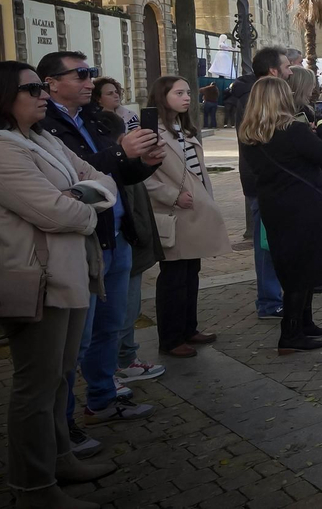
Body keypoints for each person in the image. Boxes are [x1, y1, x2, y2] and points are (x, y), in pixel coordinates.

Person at [0, 61, 121, 507]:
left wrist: (81, 199)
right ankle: (33, 487)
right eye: (32, 88)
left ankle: (60, 459)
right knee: (36, 387)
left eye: (42, 87)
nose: (43, 94)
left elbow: (102, 182)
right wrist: (86, 208)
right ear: (2, 96)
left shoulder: (42, 139)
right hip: (35, 280)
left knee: (60, 380)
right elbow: (54, 212)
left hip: (68, 273)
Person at [36, 51, 161, 432]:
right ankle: (61, 423)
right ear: (51, 83)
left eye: (90, 73)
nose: (91, 81)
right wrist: (122, 152)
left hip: (116, 235)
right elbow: (79, 177)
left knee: (111, 326)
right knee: (80, 337)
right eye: (81, 74)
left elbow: (114, 171)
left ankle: (103, 399)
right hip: (83, 241)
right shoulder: (44, 127)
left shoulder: (95, 118)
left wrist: (142, 162)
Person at [237, 78, 322, 353]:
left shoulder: (250, 134)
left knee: (295, 267)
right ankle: (291, 333)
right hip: (304, 206)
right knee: (303, 270)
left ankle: (304, 323)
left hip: (276, 206)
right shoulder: (293, 130)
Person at [143, 75, 230, 358]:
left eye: (188, 92)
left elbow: (199, 172)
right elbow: (142, 178)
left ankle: (188, 327)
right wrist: (172, 196)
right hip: (173, 212)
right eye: (179, 93)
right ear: (162, 96)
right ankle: (170, 338)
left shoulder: (185, 129)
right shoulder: (151, 132)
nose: (187, 97)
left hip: (195, 211)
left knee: (191, 273)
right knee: (173, 277)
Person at [88, 77, 162, 388]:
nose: (116, 95)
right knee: (109, 316)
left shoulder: (124, 123)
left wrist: (145, 163)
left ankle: (117, 368)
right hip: (105, 236)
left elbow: (133, 181)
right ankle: (113, 371)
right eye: (109, 92)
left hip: (127, 233)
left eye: (118, 91)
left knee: (126, 306)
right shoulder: (96, 134)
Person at [233, 47, 290, 317]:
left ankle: (276, 294)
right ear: (273, 71)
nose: (291, 72)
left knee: (276, 242)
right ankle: (269, 301)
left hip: (275, 183)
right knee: (266, 245)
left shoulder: (256, 96)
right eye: (287, 67)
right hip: (263, 184)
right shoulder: (253, 99)